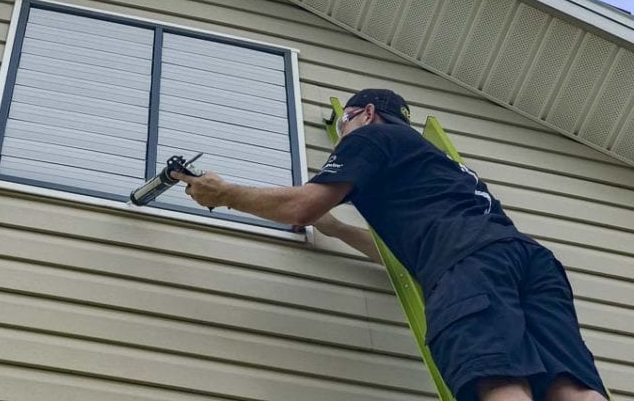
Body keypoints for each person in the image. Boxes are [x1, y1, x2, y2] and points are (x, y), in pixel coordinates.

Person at [173, 88, 608, 401]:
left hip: (468, 267)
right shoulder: (440, 164)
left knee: (498, 378)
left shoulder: (369, 138)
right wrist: (340, 230)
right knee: (569, 386)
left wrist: (225, 194)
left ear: (364, 114)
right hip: (530, 262)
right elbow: (408, 254)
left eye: (344, 123)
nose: (342, 134)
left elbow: (301, 207)